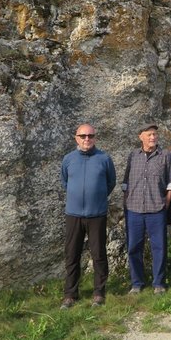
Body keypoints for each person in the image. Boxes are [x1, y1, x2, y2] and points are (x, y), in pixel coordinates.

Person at [60, 123, 116, 309]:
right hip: (73, 214)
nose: (87, 139)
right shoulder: (68, 159)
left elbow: (111, 183)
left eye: (90, 136)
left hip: (97, 214)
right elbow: (65, 182)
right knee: (72, 254)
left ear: (95, 138)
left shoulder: (104, 159)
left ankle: (99, 293)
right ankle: (70, 294)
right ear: (76, 138)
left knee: (99, 254)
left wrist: (97, 197)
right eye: (83, 136)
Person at [122, 123, 171, 295]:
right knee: (133, 247)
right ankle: (137, 283)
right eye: (149, 134)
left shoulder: (166, 155)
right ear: (141, 136)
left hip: (156, 209)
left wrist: (166, 202)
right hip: (134, 209)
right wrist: (127, 201)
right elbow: (125, 182)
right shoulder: (133, 156)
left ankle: (159, 282)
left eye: (154, 134)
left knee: (159, 247)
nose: (152, 137)